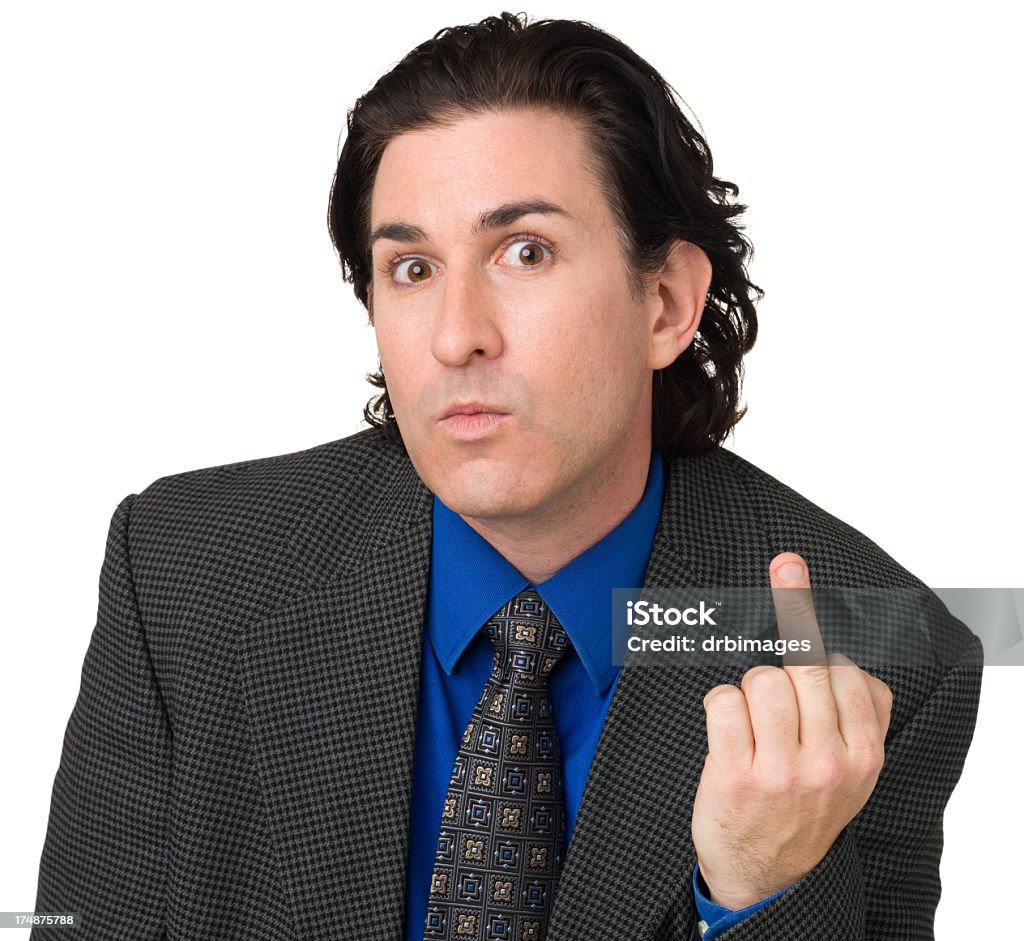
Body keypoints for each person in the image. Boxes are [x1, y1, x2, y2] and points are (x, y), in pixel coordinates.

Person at [30, 12, 982, 941]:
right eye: (411, 268)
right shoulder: (179, 571)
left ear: (665, 302)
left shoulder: (885, 649)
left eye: (525, 252)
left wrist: (758, 895)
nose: (455, 336)